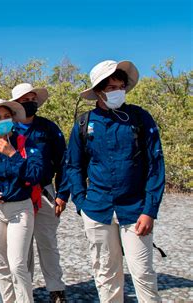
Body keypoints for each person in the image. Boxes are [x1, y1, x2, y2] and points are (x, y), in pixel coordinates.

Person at [66, 60, 165, 302]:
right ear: (99, 91)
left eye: (121, 86)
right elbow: (74, 165)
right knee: (105, 275)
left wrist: (150, 210)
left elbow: (155, 165)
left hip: (136, 210)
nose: (117, 91)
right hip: (97, 209)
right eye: (111, 88)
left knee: (143, 274)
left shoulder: (140, 118)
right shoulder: (84, 123)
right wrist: (81, 203)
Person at [0, 98, 46, 303]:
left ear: (13, 119)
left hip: (20, 208)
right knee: (1, 264)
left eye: (6, 116)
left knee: (17, 264)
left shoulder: (26, 144)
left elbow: (35, 174)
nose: (2, 120)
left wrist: (13, 154)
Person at [10, 83, 70, 302]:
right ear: (15, 105)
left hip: (44, 191)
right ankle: (25, 292)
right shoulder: (7, 128)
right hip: (16, 194)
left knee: (47, 242)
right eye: (25, 100)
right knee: (21, 247)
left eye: (32, 99)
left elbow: (64, 161)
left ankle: (56, 289)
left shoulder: (48, 128)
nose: (30, 103)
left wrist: (63, 193)